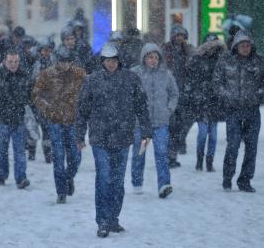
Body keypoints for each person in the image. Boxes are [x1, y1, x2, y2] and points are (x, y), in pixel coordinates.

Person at [76, 42, 151, 238]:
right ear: (102, 61)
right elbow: (82, 109)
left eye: (114, 60)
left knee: (117, 181)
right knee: (103, 178)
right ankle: (102, 220)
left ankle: (113, 219)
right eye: (107, 60)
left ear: (119, 61)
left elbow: (141, 106)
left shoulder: (131, 79)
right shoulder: (92, 81)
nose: (111, 64)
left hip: (123, 136)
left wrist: (145, 130)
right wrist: (79, 134)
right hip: (100, 137)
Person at [32, 46, 86, 204]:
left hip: (74, 121)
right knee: (58, 157)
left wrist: (84, 110)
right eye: (62, 61)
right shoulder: (47, 74)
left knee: (76, 157)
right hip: (55, 121)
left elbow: (89, 93)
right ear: (57, 61)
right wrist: (46, 108)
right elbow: (36, 94)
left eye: (67, 62)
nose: (65, 65)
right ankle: (61, 191)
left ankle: (68, 177)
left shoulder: (80, 74)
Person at [213, 30, 264, 192]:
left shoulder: (259, 61)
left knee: (251, 148)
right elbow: (216, 82)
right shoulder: (225, 61)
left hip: (252, 111)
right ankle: (227, 177)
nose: (245, 48)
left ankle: (245, 180)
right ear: (236, 46)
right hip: (233, 111)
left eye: (248, 45)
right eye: (242, 45)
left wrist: (258, 94)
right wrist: (227, 96)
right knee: (233, 146)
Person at [130, 43, 179, 197]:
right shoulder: (135, 74)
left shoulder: (166, 74)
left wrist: (169, 109)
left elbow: (174, 94)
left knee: (161, 153)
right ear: (144, 58)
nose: (153, 60)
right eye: (150, 57)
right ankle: (137, 182)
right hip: (142, 125)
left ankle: (164, 184)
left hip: (160, 123)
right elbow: (127, 95)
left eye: (156, 57)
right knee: (140, 153)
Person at [186, 33, 226, 171]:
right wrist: (194, 94)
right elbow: (190, 77)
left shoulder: (222, 60)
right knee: (203, 133)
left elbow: (224, 80)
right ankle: (199, 160)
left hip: (215, 102)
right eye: (209, 46)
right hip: (200, 101)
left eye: (214, 46)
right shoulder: (196, 60)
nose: (211, 49)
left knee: (213, 135)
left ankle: (209, 162)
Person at [0, 49, 31, 189]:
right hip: (1, 118)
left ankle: (21, 178)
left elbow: (29, 95)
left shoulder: (24, 74)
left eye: (16, 61)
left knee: (20, 151)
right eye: (10, 62)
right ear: (4, 61)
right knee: (1, 151)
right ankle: (1, 176)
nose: (13, 64)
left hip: (18, 118)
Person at [162, 24, 196, 168]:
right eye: (177, 35)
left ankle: (173, 153)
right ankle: (169, 156)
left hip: (184, 92)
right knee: (171, 126)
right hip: (168, 93)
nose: (180, 38)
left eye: (182, 35)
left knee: (181, 124)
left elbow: (195, 64)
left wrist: (189, 50)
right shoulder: (165, 50)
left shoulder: (187, 50)